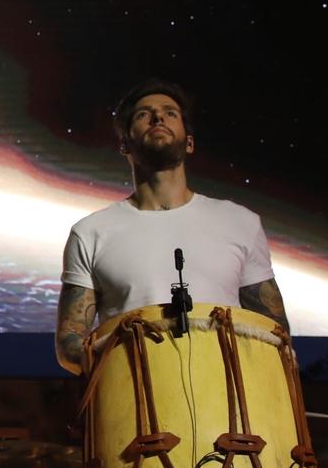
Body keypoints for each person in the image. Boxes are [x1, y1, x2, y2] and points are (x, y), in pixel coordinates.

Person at [56, 78, 290, 376]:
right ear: (124, 144)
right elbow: (69, 344)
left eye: (170, 113)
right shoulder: (90, 232)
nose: (157, 117)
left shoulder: (241, 222)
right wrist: (116, 351)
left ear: (189, 142)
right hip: (133, 403)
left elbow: (275, 333)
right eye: (143, 114)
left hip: (225, 408)